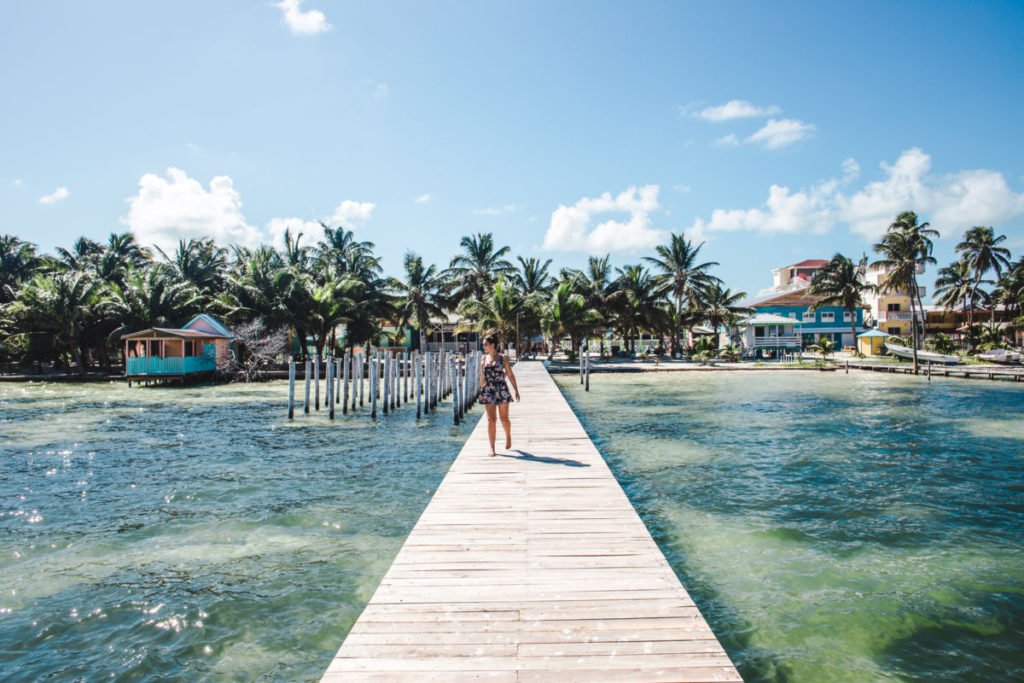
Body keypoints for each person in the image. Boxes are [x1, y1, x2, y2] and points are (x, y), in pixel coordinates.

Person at [478, 332, 520, 456]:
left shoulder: (503, 358)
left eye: (486, 344)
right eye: (483, 344)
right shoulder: (483, 359)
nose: (484, 346)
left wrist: (516, 390)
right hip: (488, 390)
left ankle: (508, 436)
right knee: (491, 420)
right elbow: (482, 380)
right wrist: (482, 374)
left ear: (493, 345)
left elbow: (510, 374)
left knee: (504, 419)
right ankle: (492, 448)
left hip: (501, 389)